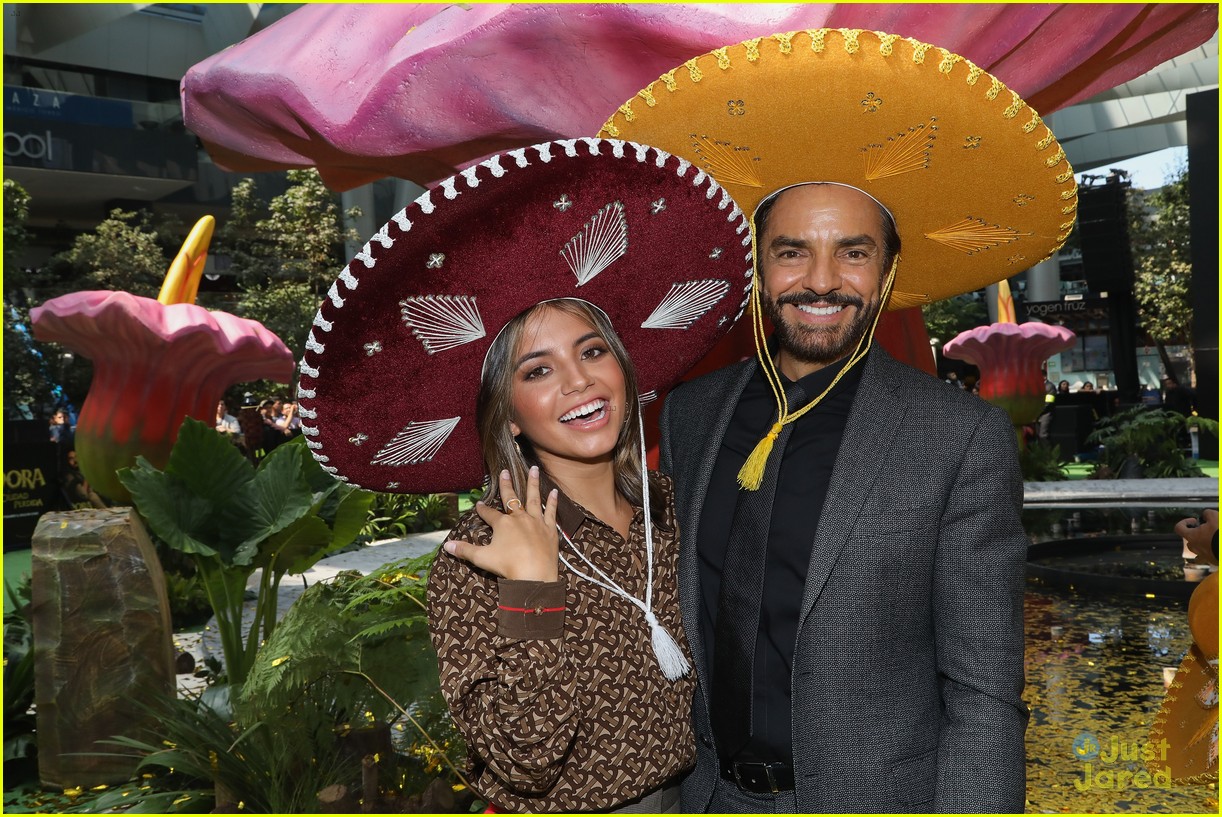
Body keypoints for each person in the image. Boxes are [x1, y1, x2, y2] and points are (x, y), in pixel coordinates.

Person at [604, 28, 1076, 812]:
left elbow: (984, 696)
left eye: (852, 252)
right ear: (758, 267)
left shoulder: (958, 440)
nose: (821, 280)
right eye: (792, 251)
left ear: (887, 272)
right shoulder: (691, 414)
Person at [293, 139, 752, 812]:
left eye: (592, 350)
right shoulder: (481, 552)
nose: (578, 380)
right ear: (508, 416)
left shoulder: (678, 506)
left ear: (624, 371)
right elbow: (524, 757)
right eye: (537, 370)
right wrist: (532, 589)